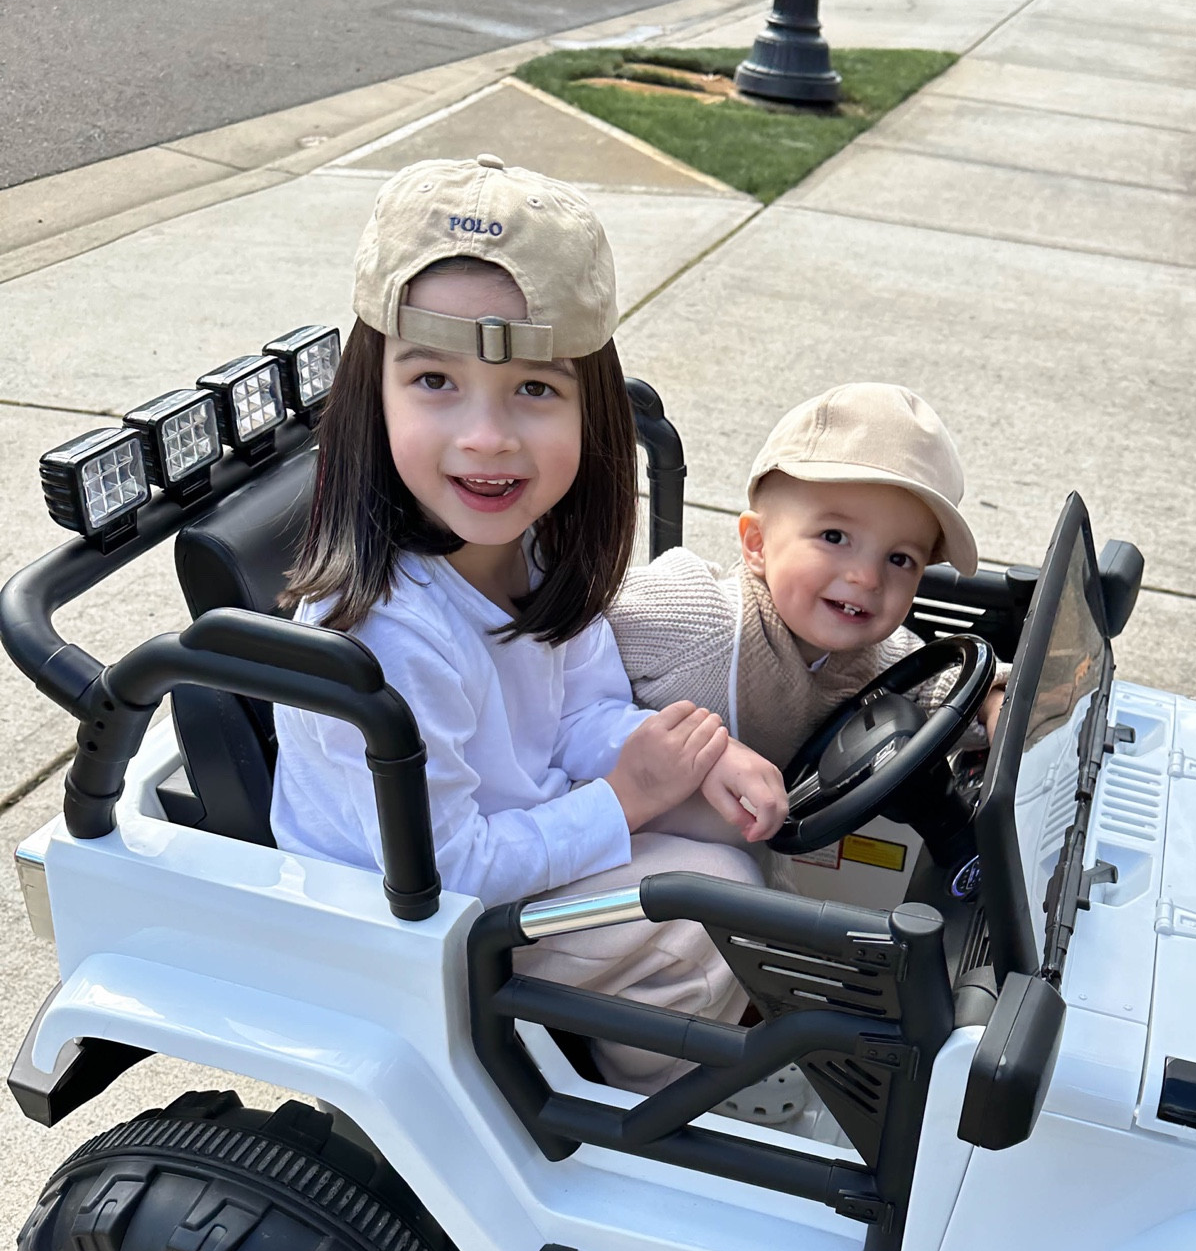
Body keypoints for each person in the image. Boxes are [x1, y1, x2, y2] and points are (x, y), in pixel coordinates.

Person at [270, 153, 785, 1094]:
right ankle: (638, 1119)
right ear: (370, 393)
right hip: (411, 920)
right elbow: (449, 866)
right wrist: (626, 800)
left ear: (591, 407)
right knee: (696, 920)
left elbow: (578, 713)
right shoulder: (384, 638)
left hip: (510, 844)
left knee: (738, 827)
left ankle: (682, 1038)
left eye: (534, 390)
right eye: (434, 381)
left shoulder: (534, 552)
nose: (487, 436)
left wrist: (686, 756)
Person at [609, 383, 1004, 777]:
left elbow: (934, 683)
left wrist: (992, 700)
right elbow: (571, 631)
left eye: (900, 559)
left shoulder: (878, 657)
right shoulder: (698, 617)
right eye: (834, 537)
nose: (867, 578)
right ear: (758, 544)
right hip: (624, 822)